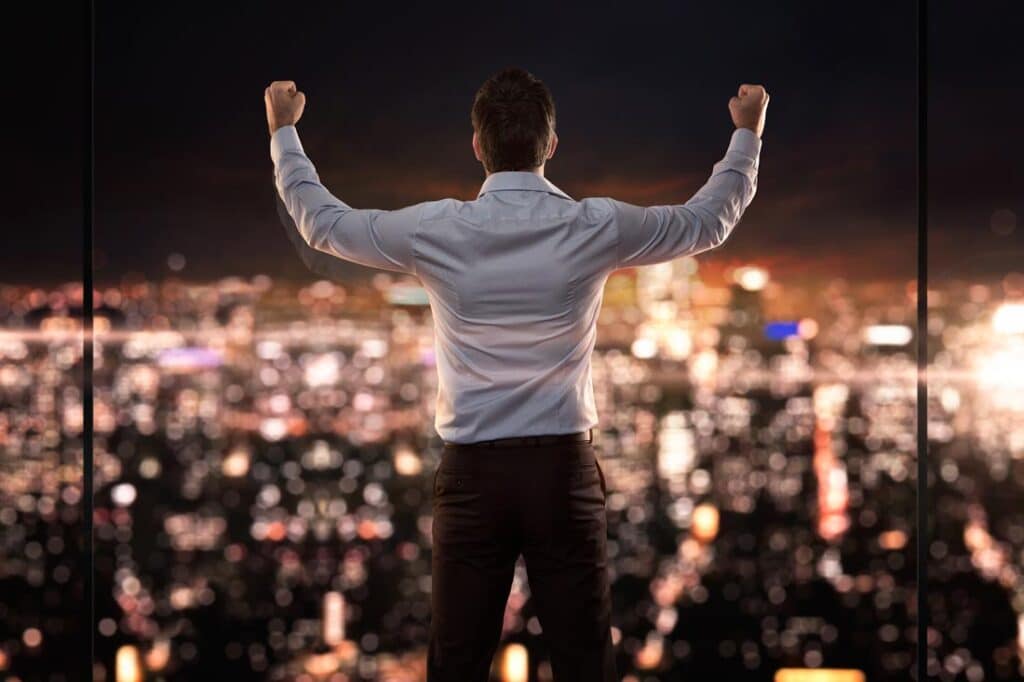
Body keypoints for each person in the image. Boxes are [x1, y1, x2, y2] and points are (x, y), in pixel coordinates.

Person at [266, 67, 767, 682]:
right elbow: (707, 221)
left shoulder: (437, 230)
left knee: (457, 662)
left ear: (477, 147)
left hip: (472, 476)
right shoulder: (593, 226)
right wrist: (747, 133)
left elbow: (325, 225)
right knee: (586, 662)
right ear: (551, 146)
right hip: (563, 476)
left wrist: (284, 133)